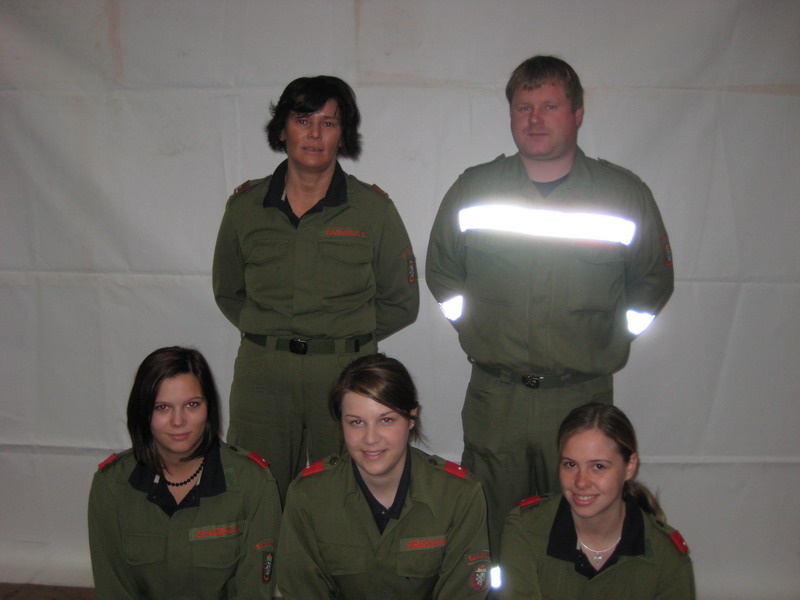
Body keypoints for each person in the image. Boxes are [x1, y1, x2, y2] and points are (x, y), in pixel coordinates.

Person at [425, 55, 674, 553]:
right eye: (523, 107)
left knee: (577, 527)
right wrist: (475, 327)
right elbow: (443, 274)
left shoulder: (622, 194)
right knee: (491, 531)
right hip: (498, 398)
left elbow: (652, 282)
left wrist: (610, 337)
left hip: (580, 397)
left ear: (577, 113)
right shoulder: (474, 189)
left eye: (550, 106)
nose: (535, 119)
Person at [213, 75, 419, 501]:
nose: (314, 133)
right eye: (303, 120)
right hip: (263, 375)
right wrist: (270, 333)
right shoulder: (246, 207)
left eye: (329, 123)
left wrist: (346, 334)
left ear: (343, 134)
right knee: (256, 491)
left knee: (345, 496)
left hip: (345, 373)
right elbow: (228, 291)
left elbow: (402, 302)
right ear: (282, 130)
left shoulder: (373, 210)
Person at [276, 354, 492, 599]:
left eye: (386, 420)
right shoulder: (309, 496)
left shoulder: (458, 495)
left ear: (411, 418)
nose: (371, 438)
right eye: (356, 422)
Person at [88, 346, 281, 599]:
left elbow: (254, 590)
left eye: (192, 404)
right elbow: (113, 588)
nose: (178, 421)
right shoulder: (112, 485)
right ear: (142, 413)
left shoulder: (252, 482)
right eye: (162, 407)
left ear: (209, 408)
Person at [500, 403, 694, 598]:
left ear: (629, 467)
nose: (581, 482)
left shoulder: (665, 556)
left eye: (598, 467)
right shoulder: (526, 531)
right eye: (570, 464)